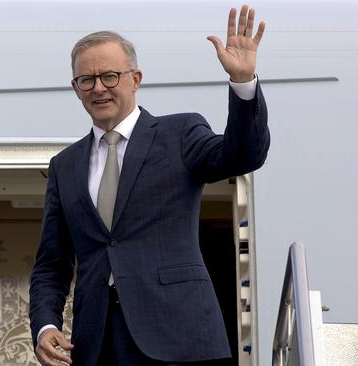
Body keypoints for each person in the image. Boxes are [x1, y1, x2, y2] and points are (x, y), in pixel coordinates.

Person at [29, 5, 268, 366]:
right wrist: (45, 325)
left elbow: (243, 155)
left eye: (110, 76)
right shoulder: (65, 166)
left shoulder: (180, 133)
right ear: (75, 88)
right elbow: (52, 264)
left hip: (180, 338)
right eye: (86, 80)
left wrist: (243, 83)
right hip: (97, 344)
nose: (98, 88)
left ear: (135, 78)